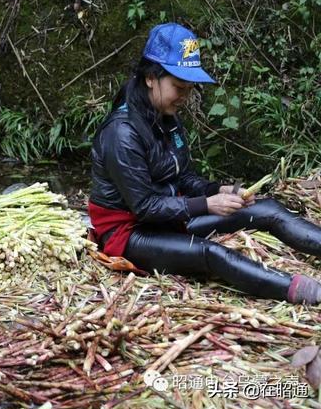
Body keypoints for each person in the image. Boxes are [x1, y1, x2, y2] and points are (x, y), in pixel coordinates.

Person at [89, 23, 321, 304]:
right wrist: (207, 204)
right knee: (212, 253)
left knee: (268, 208)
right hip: (131, 234)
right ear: (151, 77)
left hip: (170, 218)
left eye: (189, 88)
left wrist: (217, 190)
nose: (185, 97)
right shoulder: (122, 133)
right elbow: (146, 207)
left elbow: (183, 177)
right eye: (178, 87)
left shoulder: (167, 118)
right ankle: (309, 292)